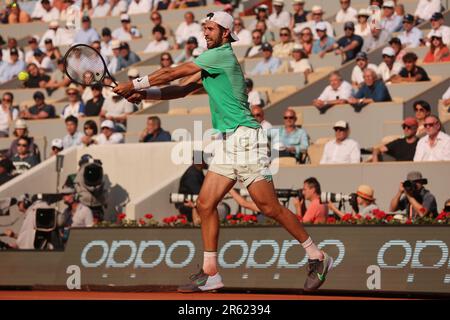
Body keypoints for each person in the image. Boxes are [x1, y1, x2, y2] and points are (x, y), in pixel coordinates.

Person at [113, 11, 332, 292]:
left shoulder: (222, 56)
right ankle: (210, 272)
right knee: (205, 204)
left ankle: (318, 256)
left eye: (210, 28)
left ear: (225, 33)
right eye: (204, 28)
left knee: (269, 207)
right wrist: (144, 95)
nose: (205, 32)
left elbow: (171, 73)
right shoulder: (210, 62)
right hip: (229, 142)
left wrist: (134, 84)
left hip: (246, 138)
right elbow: (179, 91)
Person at [176, 150, 208, 224]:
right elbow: (199, 192)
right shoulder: (192, 174)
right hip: (189, 207)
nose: (206, 162)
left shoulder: (197, 172)